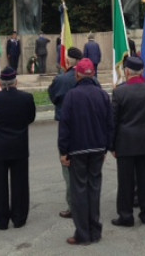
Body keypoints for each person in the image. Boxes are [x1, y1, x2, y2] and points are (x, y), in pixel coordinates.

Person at [58, 55, 113, 246]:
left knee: (79, 191)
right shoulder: (103, 95)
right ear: (93, 74)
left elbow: (64, 126)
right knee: (94, 189)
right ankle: (95, 230)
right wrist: (107, 147)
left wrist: (63, 151)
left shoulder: (71, 96)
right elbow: (109, 124)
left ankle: (83, 233)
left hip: (78, 149)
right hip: (98, 148)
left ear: (78, 75)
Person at [0, 67, 36, 229]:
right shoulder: (26, 98)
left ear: (0, 83)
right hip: (19, 146)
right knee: (20, 184)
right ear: (16, 82)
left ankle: (1, 220)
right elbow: (30, 118)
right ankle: (19, 218)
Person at [110, 56, 145, 227]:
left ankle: (126, 215)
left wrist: (112, 145)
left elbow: (113, 121)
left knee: (126, 181)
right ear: (141, 72)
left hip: (125, 142)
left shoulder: (119, 92)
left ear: (126, 72)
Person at [48, 47, 84, 219]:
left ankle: (73, 205)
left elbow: (53, 96)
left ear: (68, 62)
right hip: (85, 127)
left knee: (68, 168)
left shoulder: (61, 80)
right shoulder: (90, 77)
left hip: (67, 128)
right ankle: (86, 201)